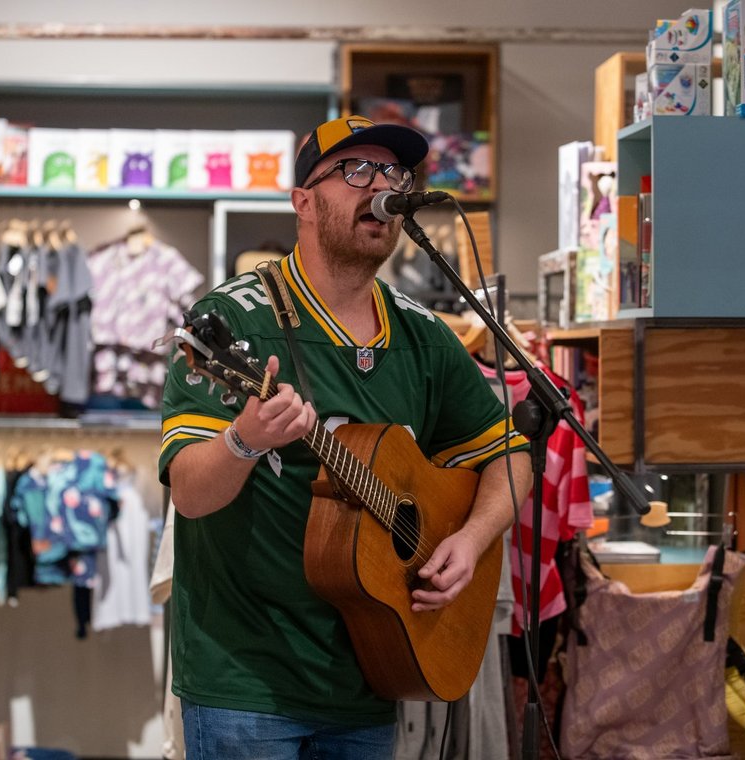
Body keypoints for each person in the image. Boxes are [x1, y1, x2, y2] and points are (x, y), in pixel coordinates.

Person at [158, 114, 533, 759]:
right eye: (356, 170)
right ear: (303, 200)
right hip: (244, 685)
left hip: (370, 675)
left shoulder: (423, 335)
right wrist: (246, 439)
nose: (380, 187)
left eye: (394, 173)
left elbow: (510, 455)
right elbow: (190, 494)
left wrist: (470, 541)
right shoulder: (233, 320)